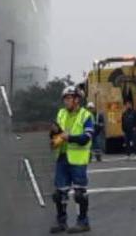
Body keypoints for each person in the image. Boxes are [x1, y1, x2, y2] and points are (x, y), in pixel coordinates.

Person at [49, 86, 94, 233]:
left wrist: (69, 137)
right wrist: (54, 138)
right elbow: (55, 133)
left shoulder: (86, 116)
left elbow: (86, 138)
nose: (66, 101)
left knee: (80, 194)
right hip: (62, 157)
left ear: (77, 99)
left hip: (77, 160)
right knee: (59, 194)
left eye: (69, 98)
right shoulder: (61, 113)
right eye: (65, 99)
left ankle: (83, 222)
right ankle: (61, 222)